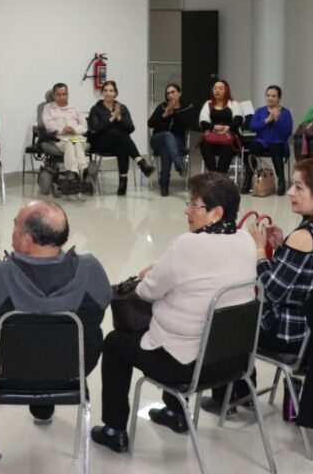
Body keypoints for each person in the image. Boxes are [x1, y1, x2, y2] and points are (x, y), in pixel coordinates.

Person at [90, 172, 256, 452]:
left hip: (187, 367)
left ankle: (114, 429)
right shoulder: (245, 240)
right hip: (231, 360)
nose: (186, 210)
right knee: (184, 325)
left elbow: (146, 292)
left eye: (194, 204)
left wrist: (149, 274)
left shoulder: (187, 245)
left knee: (116, 342)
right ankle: (175, 412)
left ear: (216, 212)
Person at [0, 199, 111, 424]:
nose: (12, 230)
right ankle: (44, 405)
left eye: (15, 224)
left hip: (5, 373)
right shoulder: (91, 270)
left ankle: (39, 399)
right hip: (72, 372)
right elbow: (104, 302)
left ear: (27, 239)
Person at [248, 159, 313, 361]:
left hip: (288, 334)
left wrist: (260, 249)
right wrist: (281, 247)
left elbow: (271, 291)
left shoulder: (303, 237)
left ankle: (240, 381)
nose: (290, 192)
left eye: (299, 188)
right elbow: (308, 273)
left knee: (225, 326)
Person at [88, 80, 154, 196]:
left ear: (115, 93)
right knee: (121, 135)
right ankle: (140, 161)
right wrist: (111, 118)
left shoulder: (122, 108)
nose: (108, 93)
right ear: (102, 93)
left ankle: (123, 184)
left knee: (122, 145)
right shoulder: (96, 109)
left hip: (117, 143)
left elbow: (131, 128)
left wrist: (119, 118)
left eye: (111, 91)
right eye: (105, 90)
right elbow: (95, 129)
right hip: (100, 142)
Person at [242, 85, 293, 196]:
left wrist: (277, 120)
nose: (270, 98)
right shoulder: (260, 111)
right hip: (262, 141)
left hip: (278, 141)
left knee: (276, 148)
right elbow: (253, 127)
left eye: (273, 96)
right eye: (268, 95)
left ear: (279, 98)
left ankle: (281, 181)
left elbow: (287, 132)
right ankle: (247, 181)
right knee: (253, 147)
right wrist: (266, 121)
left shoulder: (285, 112)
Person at [147, 82, 191, 197]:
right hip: (158, 139)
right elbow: (150, 123)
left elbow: (186, 125)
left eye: (173, 92)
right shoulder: (162, 107)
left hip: (177, 141)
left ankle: (164, 184)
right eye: (168, 93)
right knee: (167, 135)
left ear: (179, 93)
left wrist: (174, 114)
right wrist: (164, 115)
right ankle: (178, 164)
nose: (170, 95)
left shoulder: (186, 108)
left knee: (166, 149)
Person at [41, 82, 89, 181]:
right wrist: (62, 130)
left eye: (64, 94)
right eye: (58, 94)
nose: (62, 97)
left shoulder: (75, 108)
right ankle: (74, 172)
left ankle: (83, 171)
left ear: (67, 94)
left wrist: (75, 130)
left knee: (78, 143)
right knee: (69, 144)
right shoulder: (48, 108)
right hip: (59, 137)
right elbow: (48, 124)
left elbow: (84, 125)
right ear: (53, 95)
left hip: (75, 136)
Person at [198, 80, 244, 175]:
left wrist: (227, 128)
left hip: (229, 137)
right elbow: (203, 122)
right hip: (212, 137)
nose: (217, 91)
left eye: (220, 88)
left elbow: (238, 120)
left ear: (226, 90)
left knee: (227, 149)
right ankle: (214, 174)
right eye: (215, 89)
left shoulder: (234, 104)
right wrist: (214, 127)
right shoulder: (208, 104)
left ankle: (218, 175)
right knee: (204, 145)